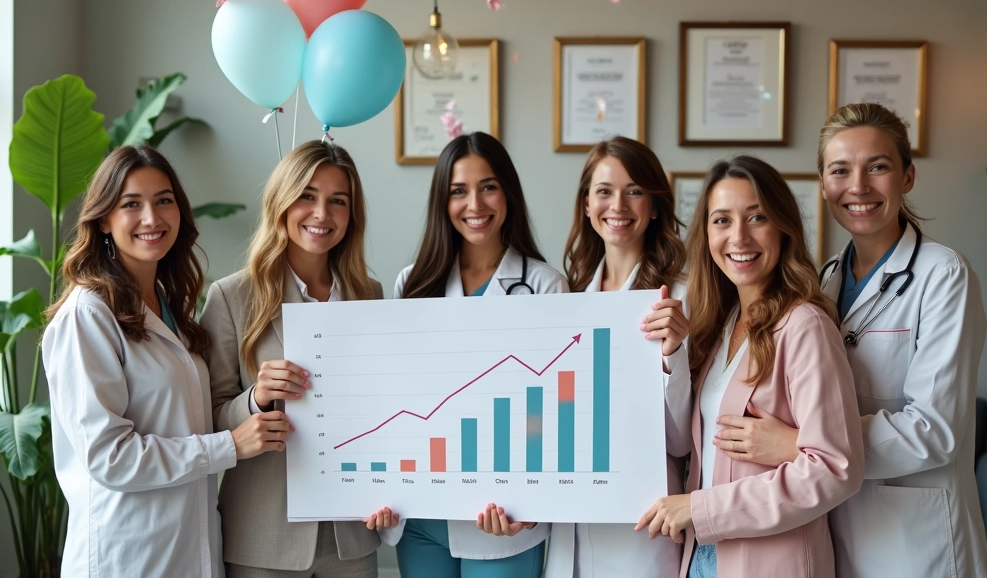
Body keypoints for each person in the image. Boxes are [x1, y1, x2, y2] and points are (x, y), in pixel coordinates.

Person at [710, 103, 987, 577]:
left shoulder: (943, 276)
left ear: (907, 177)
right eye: (840, 170)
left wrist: (802, 444)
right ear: (823, 184)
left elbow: (934, 430)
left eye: (877, 167)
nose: (857, 186)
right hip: (833, 528)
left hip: (914, 542)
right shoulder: (824, 280)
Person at [44, 145, 288, 577]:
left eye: (163, 201)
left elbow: (183, 419)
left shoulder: (166, 306)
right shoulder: (87, 315)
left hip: (187, 547)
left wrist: (253, 402)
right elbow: (109, 457)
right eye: (131, 204)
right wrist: (229, 446)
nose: (151, 218)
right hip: (127, 553)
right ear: (104, 219)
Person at [635, 155, 863, 578]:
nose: (739, 237)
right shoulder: (720, 326)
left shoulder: (805, 326)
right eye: (722, 220)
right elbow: (689, 445)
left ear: (782, 227)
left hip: (773, 561)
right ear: (707, 234)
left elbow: (834, 469)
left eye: (757, 217)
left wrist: (700, 508)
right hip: (703, 556)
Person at [200, 141, 386, 577]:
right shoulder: (230, 297)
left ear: (351, 214)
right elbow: (208, 418)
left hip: (351, 533)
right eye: (307, 196)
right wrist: (256, 399)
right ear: (281, 202)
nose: (322, 213)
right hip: (263, 535)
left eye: (337, 201)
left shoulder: (370, 295)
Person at [388, 132, 567, 578]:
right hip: (422, 515)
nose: (475, 204)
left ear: (508, 193)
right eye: (458, 191)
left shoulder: (544, 286)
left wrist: (535, 505)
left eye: (488, 187)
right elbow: (397, 396)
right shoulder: (412, 284)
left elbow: (559, 408)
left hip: (504, 518)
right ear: (442, 201)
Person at [545, 136, 690, 577]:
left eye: (634, 191)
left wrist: (674, 353)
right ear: (587, 204)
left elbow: (681, 440)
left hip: (641, 523)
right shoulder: (566, 295)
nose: (618, 206)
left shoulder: (682, 297)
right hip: (571, 514)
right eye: (604, 191)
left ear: (655, 206)